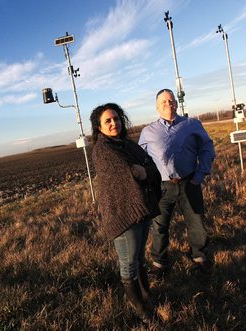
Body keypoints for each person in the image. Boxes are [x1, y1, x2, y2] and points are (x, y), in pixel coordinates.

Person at [90, 103, 161, 322]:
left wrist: (144, 171)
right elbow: (127, 175)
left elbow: (151, 169)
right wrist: (141, 171)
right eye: (108, 121)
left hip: (141, 208)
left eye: (117, 119)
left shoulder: (128, 145)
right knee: (128, 262)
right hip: (122, 214)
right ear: (99, 127)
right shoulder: (102, 150)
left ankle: (146, 294)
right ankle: (140, 309)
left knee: (139, 256)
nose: (114, 123)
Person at [139, 89, 215, 274]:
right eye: (164, 101)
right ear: (157, 106)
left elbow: (207, 147)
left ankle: (199, 256)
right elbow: (141, 159)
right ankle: (160, 262)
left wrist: (199, 175)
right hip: (162, 187)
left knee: (196, 221)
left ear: (176, 103)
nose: (168, 103)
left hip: (190, 182)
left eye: (171, 100)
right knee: (159, 226)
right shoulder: (148, 132)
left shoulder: (192, 124)